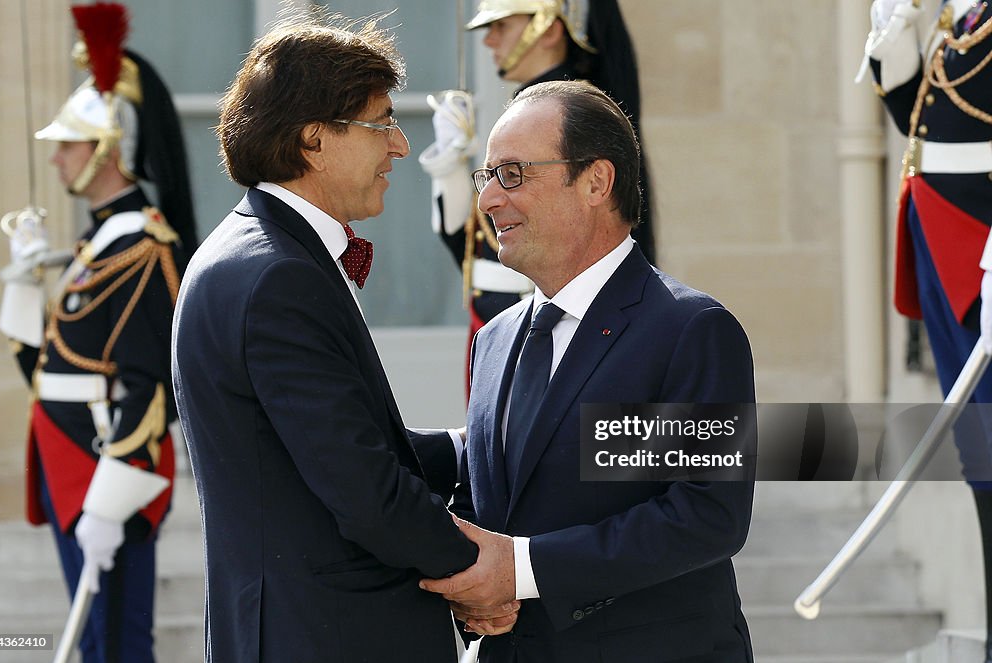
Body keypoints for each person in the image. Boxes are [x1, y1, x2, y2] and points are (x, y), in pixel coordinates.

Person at [171, 13, 519, 662]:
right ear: (313, 139)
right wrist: (484, 572)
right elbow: (365, 491)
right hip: (329, 635)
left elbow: (341, 450)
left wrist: (485, 444)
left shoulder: (255, 254)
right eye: (380, 121)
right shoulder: (277, 276)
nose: (399, 146)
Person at [419, 80, 756, 662]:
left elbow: (705, 515)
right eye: (486, 177)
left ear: (597, 181)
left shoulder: (689, 329)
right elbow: (485, 502)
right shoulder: (494, 340)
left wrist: (523, 571)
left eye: (513, 175)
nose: (490, 200)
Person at [0, 3, 196, 662]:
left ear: (108, 150)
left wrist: (114, 495)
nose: (55, 161)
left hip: (104, 467)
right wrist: (24, 283)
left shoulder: (142, 244)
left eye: (69, 146)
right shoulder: (98, 242)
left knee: (116, 644)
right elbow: (46, 365)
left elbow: (149, 388)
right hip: (67, 459)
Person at [419, 0, 655, 370]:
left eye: (502, 27)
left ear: (549, 29)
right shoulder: (521, 109)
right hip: (505, 319)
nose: (489, 41)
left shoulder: (571, 116)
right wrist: (448, 166)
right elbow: (473, 236)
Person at [861, 0, 992, 658]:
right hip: (940, 240)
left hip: (981, 244)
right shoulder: (956, 26)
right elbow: (922, 126)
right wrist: (897, 51)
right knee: (980, 454)